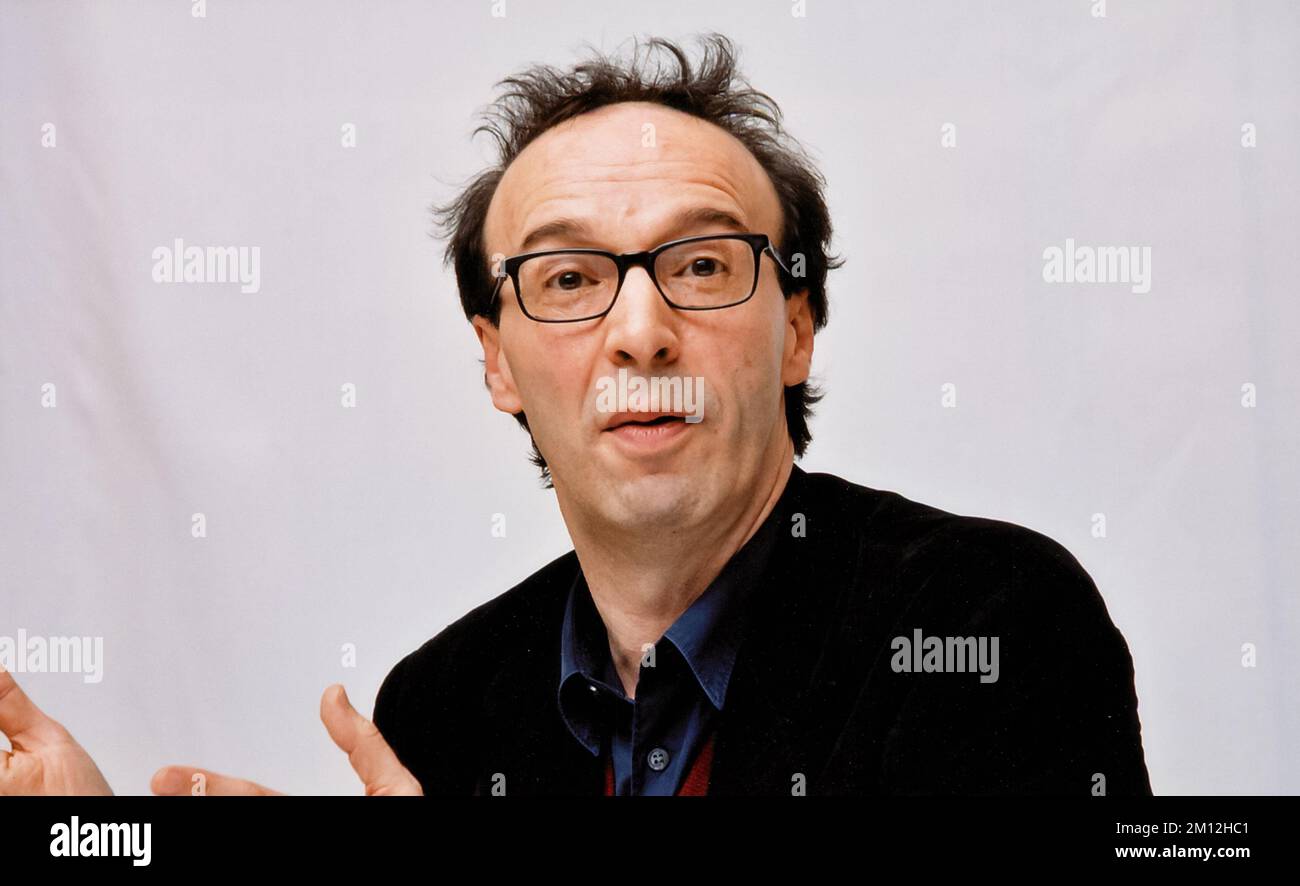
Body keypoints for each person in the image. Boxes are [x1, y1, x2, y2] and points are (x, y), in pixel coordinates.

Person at [0, 33, 1151, 797]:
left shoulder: (988, 620)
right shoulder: (442, 707)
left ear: (794, 327)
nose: (640, 329)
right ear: (497, 362)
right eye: (566, 279)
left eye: (701, 266)